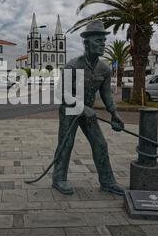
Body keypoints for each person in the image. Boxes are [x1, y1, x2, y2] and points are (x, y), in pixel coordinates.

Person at [52, 21, 125, 196]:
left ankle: (107, 182)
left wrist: (114, 113)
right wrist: (82, 107)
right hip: (70, 110)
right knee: (66, 144)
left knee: (100, 144)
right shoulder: (73, 65)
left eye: (103, 40)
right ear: (86, 43)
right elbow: (62, 93)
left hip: (88, 113)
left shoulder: (104, 69)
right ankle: (58, 178)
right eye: (98, 40)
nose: (102, 44)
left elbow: (107, 94)